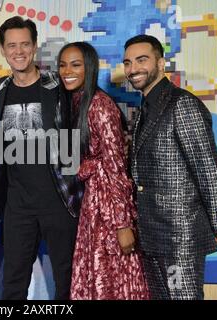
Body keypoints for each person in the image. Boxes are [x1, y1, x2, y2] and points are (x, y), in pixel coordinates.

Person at [123, 34, 217, 299]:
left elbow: (209, 170)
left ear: (161, 63)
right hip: (151, 235)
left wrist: (214, 225)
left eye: (141, 60)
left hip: (180, 236)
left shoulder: (181, 104)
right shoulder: (144, 108)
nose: (133, 68)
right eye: (127, 62)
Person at [0, 16, 82, 300]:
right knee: (13, 282)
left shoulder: (57, 85)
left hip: (58, 200)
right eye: (11, 45)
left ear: (34, 47)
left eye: (25, 44)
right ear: (4, 50)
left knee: (66, 280)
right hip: (17, 204)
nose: (18, 51)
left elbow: (77, 133)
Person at [58, 42, 149, 300]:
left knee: (109, 283)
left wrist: (123, 224)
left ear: (90, 68)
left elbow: (116, 168)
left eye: (75, 65)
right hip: (93, 205)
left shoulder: (100, 106)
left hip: (109, 210)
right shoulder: (76, 102)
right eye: (63, 65)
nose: (67, 71)